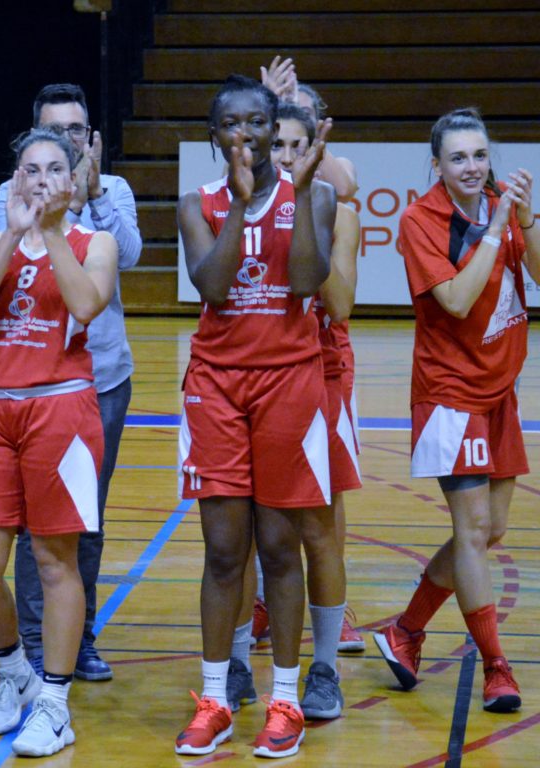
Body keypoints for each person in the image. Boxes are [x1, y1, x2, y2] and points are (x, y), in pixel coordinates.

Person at [173, 75, 335, 759]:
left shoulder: (317, 196)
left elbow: (304, 280)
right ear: (216, 137)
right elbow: (210, 286)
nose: (244, 133)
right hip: (216, 384)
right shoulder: (197, 203)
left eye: (257, 122)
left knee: (278, 547)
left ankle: (286, 701)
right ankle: (215, 700)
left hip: (290, 383)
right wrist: (241, 209)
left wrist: (291, 194)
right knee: (222, 552)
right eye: (230, 124)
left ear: (276, 129)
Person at [0, 128, 116, 757]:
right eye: (31, 170)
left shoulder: (91, 241)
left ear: (72, 182)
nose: (42, 179)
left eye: (55, 169)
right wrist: (12, 237)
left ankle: (54, 701)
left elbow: (86, 304)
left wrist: (50, 231)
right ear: (15, 180)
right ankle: (13, 672)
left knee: (56, 563)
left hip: (62, 412)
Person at [374, 107, 536, 715]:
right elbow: (460, 301)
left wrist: (526, 219)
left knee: (488, 532)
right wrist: (498, 227)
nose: (473, 167)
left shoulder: (503, 206)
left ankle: (406, 631)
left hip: (501, 391)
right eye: (459, 157)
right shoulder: (421, 221)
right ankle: (496, 665)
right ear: (437, 165)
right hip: (450, 394)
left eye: (480, 155)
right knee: (471, 532)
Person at [0, 83, 142, 681]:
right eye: (53, 130)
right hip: (29, 386)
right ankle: (34, 642)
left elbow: (127, 255)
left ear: (90, 138)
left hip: (102, 380)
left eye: (76, 131)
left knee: (86, 519)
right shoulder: (14, 192)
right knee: (35, 528)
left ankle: (79, 640)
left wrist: (94, 193)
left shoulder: (115, 191)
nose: (66, 140)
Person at [225, 103, 362, 722]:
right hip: (248, 374)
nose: (281, 155)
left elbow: (337, 304)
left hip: (319, 372)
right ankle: (231, 661)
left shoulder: (333, 205)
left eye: (294, 145)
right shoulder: (233, 201)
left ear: (314, 150)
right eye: (273, 143)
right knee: (241, 527)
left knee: (317, 529)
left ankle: (326, 667)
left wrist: (304, 203)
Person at [260, 56, 357, 201]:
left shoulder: (341, 163)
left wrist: (316, 147)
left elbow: (343, 192)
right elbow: (231, 181)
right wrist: (262, 108)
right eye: (288, 108)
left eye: (304, 112)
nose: (296, 118)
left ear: (318, 119)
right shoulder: (259, 157)